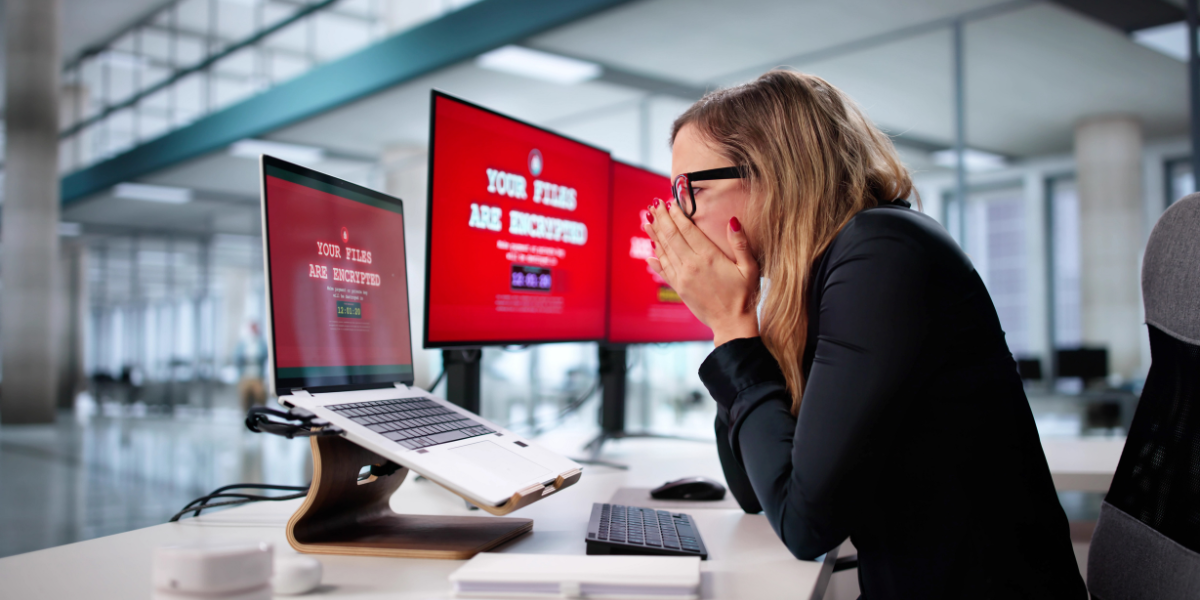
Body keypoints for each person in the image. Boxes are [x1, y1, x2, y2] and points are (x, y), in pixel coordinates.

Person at [641, 70, 1086, 599]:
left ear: (773, 175)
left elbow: (804, 525)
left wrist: (733, 329)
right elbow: (753, 492)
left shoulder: (882, 253)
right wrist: (729, 325)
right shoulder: (832, 272)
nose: (679, 216)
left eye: (692, 189)